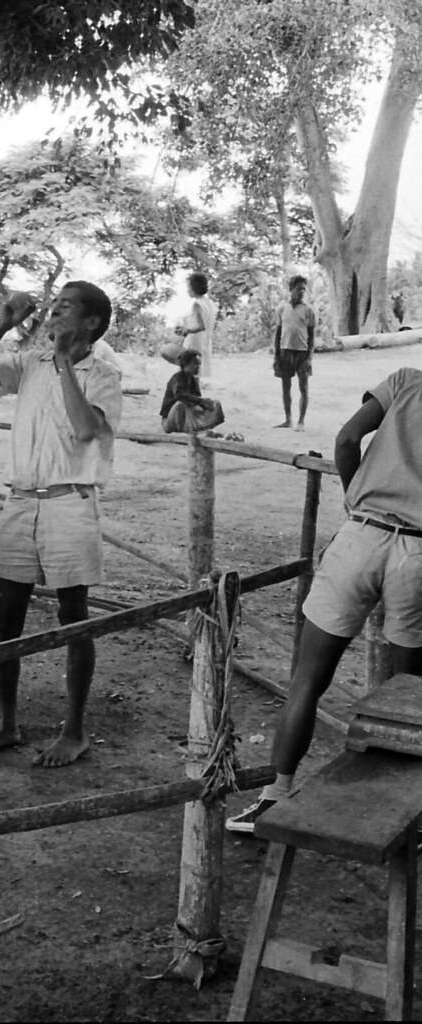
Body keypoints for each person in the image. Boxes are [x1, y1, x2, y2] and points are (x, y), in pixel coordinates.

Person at [227, 366, 422, 833]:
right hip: (419, 551)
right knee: (410, 698)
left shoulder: (406, 382)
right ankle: (398, 819)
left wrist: (357, 498)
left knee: (307, 681)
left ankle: (275, 797)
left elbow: (344, 440)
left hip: (363, 535)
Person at [0, 281, 122, 768]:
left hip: (70, 502)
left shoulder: (103, 372)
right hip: (21, 501)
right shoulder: (29, 363)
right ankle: (7, 724)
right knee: (5, 621)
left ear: (91, 322)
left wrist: (66, 361)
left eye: (65, 306)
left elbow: (86, 429)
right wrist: (3, 322)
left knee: (74, 620)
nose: (53, 310)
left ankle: (75, 730)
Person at [273, 275, 315, 431]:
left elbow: (311, 336)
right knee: (286, 387)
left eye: (304, 289)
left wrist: (309, 357)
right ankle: (288, 419)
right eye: (298, 289)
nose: (301, 292)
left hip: (302, 353)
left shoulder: (308, 310)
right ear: (291, 290)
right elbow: (278, 333)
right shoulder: (282, 309)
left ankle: (301, 421)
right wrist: (276, 355)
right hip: (285, 351)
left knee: (303, 388)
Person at [161, 272, 218, 377]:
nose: (187, 290)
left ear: (194, 288)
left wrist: (186, 330)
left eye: (189, 287)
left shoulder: (197, 305)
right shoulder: (209, 303)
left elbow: (201, 326)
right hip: (205, 341)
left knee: (166, 352)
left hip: (195, 342)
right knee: (196, 371)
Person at [159, 350, 224, 433]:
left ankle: (198, 427)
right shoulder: (176, 378)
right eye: (195, 364)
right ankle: (184, 430)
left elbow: (197, 400)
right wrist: (201, 401)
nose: (198, 367)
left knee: (216, 404)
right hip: (170, 420)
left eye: (199, 364)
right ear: (186, 364)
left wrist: (206, 403)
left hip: (188, 416)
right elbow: (180, 396)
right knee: (180, 404)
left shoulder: (193, 380)